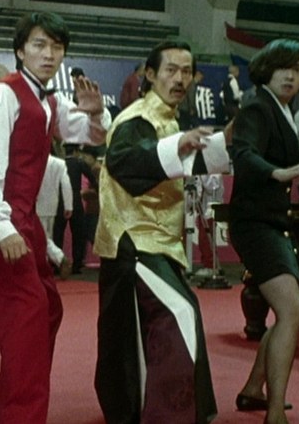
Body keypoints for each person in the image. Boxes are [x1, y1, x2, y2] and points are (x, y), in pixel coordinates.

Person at [0, 11, 110, 424]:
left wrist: (96, 113)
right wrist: (1, 227)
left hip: (24, 220)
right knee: (29, 316)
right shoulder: (0, 95)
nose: (49, 54)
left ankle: (3, 400)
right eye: (39, 45)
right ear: (20, 50)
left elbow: (92, 135)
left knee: (48, 310)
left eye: (57, 47)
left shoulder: (50, 101)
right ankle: (19, 415)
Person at [93, 40, 229, 423]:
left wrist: (224, 142)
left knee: (138, 331)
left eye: (186, 71)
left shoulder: (167, 119)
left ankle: (145, 411)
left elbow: (175, 163)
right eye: (171, 70)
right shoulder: (138, 118)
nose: (179, 78)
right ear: (150, 74)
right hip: (134, 241)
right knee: (178, 314)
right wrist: (178, 146)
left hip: (154, 242)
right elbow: (124, 162)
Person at [227, 38, 299, 424]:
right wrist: (278, 172)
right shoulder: (256, 106)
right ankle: (275, 410)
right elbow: (243, 153)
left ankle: (253, 389)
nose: (290, 76)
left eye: (297, 70)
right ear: (266, 69)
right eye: (283, 67)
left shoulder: (283, 109)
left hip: (277, 222)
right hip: (255, 223)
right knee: (292, 310)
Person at [53, 143, 97, 274]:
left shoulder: (59, 164)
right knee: (78, 233)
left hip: (60, 200)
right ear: (76, 152)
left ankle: (57, 264)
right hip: (76, 200)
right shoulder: (79, 163)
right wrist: (97, 187)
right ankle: (77, 264)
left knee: (58, 234)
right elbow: (92, 178)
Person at [37, 153, 73, 277]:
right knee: (47, 237)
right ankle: (45, 267)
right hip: (53, 205)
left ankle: (59, 257)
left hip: (37, 204)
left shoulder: (35, 161)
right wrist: (68, 205)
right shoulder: (60, 163)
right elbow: (66, 184)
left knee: (41, 239)